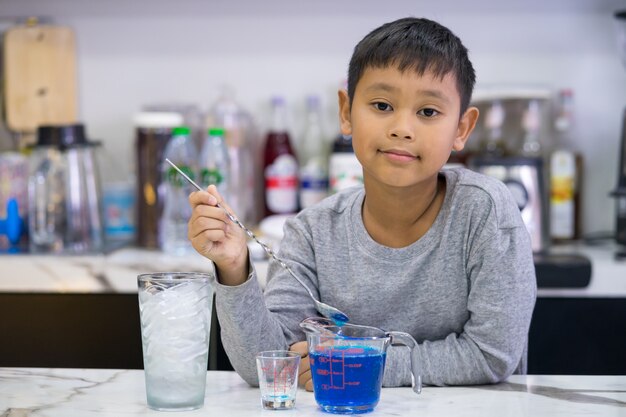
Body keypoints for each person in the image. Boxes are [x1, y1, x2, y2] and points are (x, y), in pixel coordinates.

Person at [188, 16, 536, 389]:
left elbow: (492, 354)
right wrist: (234, 267)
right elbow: (274, 363)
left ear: (462, 129)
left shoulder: (484, 211)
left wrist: (364, 364)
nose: (402, 127)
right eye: (382, 105)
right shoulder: (312, 232)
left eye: (428, 112)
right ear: (346, 112)